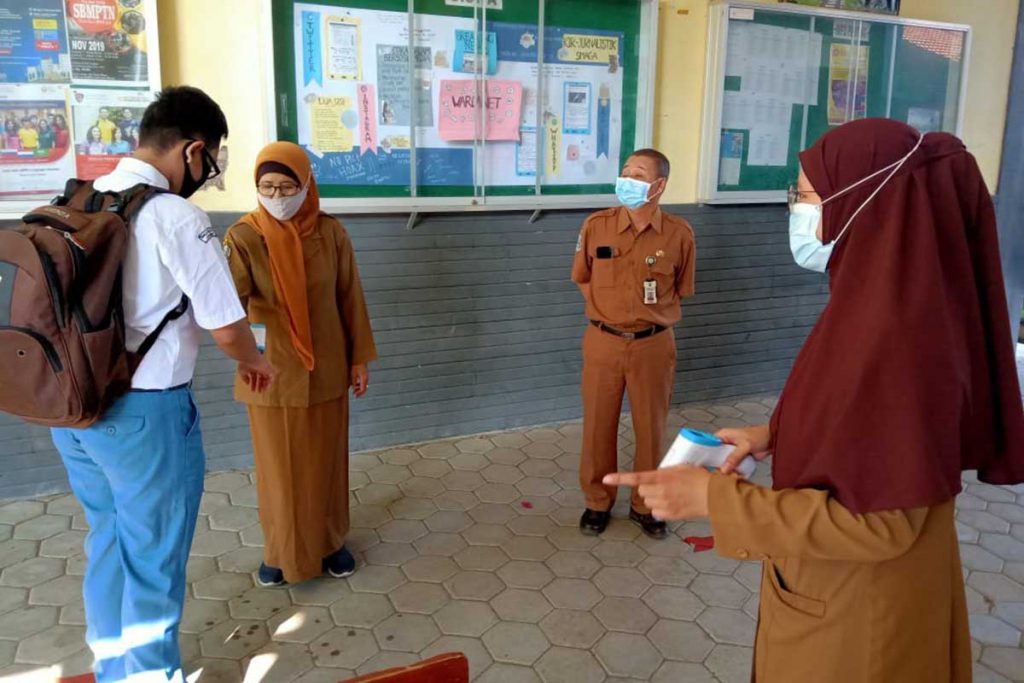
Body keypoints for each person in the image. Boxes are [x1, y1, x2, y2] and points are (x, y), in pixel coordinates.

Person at [605, 119, 1024, 682]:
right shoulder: (881, 305)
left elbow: (880, 524)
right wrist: (773, 433)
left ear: (863, 204)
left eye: (803, 196)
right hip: (844, 594)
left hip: (858, 626)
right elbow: (861, 419)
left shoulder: (897, 339)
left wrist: (714, 499)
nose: (795, 212)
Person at [49, 86, 275, 683]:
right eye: (211, 161)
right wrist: (256, 361)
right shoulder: (176, 215)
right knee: (153, 559)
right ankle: (151, 677)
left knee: (109, 539)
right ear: (194, 150)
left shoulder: (82, 196)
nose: (206, 174)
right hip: (146, 419)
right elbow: (226, 326)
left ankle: (114, 669)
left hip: (74, 410)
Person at [224, 141, 377, 587]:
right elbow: (226, 305)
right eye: (266, 186)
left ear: (306, 184)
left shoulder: (330, 234)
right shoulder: (244, 236)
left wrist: (359, 359)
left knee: (326, 464)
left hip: (328, 366)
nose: (276, 196)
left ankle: (331, 543)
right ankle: (281, 552)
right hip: (270, 371)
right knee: (280, 469)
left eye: (286, 186)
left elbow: (350, 298)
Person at [571, 148, 696, 539]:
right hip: (603, 341)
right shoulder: (596, 226)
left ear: (659, 186)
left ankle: (646, 505)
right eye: (625, 170)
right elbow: (582, 277)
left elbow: (682, 289)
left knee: (651, 428)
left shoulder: (679, 234)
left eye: (638, 173)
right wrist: (605, 311)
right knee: (597, 426)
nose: (627, 178)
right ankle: (597, 502)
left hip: (653, 345)